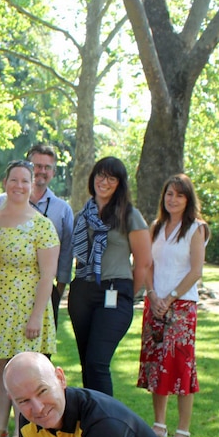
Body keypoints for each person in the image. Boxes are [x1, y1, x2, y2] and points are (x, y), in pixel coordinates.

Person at [0, 144, 74, 431]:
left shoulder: (41, 225)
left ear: (33, 186)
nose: (19, 185)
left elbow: (48, 275)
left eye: (25, 181)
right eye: (14, 180)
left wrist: (36, 316)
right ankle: (0, 428)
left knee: (26, 372)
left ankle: (24, 433)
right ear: (5, 183)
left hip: (29, 306)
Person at [1, 352, 181, 437]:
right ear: (13, 400)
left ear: (60, 378)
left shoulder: (103, 424)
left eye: (42, 391)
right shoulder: (31, 419)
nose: (38, 408)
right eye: (24, 400)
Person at [68, 156, 151, 396]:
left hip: (115, 291)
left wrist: (125, 293)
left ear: (119, 184)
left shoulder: (129, 215)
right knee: (87, 363)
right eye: (100, 175)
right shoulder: (82, 215)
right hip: (82, 291)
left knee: (98, 362)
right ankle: (90, 419)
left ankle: (106, 422)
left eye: (111, 178)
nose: (104, 182)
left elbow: (143, 262)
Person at [138, 174, 208, 437]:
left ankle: (183, 432)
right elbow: (147, 265)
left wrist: (170, 297)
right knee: (156, 366)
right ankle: (159, 426)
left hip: (181, 307)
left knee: (181, 367)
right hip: (154, 303)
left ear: (188, 199)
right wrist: (154, 295)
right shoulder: (156, 227)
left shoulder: (196, 229)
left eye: (179, 195)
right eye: (169, 194)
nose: (173, 199)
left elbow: (196, 271)